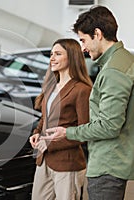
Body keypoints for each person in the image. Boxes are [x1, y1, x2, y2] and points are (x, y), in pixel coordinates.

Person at [41, 6, 134, 200]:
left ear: (97, 34)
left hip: (108, 166)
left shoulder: (113, 71)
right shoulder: (125, 61)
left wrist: (68, 132)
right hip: (119, 162)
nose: (82, 48)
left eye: (83, 40)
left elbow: (109, 126)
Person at [29, 38, 92, 200]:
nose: (52, 58)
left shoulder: (82, 90)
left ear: (71, 57)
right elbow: (45, 117)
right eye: (51, 54)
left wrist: (50, 144)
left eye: (58, 54)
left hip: (67, 164)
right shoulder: (51, 86)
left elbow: (84, 132)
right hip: (43, 160)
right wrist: (36, 132)